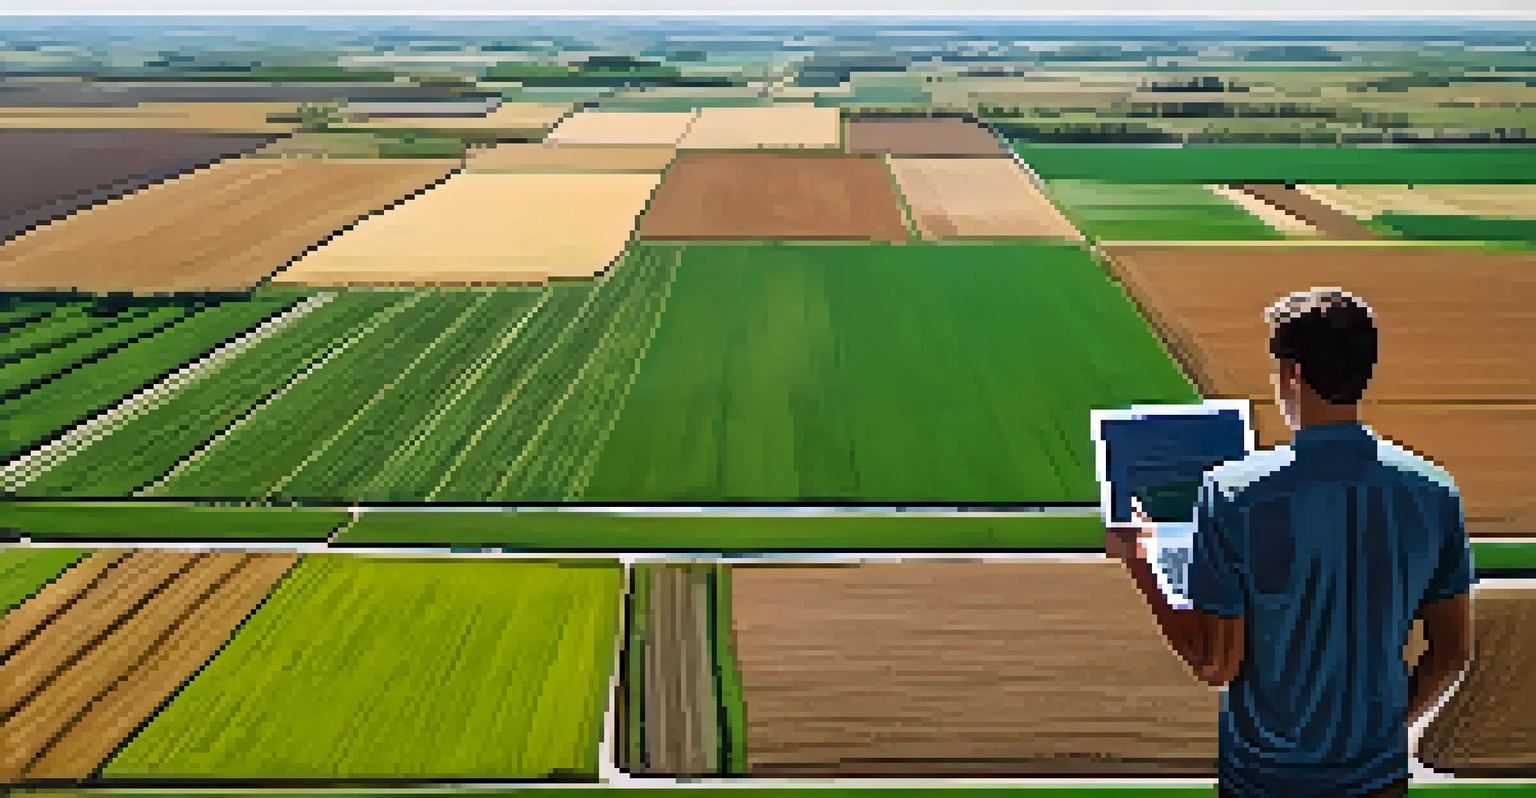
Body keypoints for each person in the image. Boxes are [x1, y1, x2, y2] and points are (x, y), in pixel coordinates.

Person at [1105, 288, 1475, 798]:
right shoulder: (1433, 492)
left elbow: (1215, 665)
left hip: (1263, 781)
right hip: (1378, 779)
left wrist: (1143, 565)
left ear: (1293, 375)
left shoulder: (1232, 492)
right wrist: (1388, 730)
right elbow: (1452, 651)